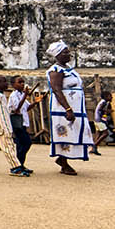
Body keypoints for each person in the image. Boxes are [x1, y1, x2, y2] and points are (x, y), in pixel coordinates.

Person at [45, 41, 92, 174]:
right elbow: (56, 89)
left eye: (68, 51)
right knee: (65, 134)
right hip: (63, 108)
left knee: (75, 132)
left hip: (76, 107)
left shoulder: (68, 69)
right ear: (57, 55)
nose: (68, 54)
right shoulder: (55, 71)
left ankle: (62, 158)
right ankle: (64, 163)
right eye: (65, 52)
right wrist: (67, 109)